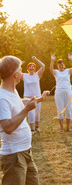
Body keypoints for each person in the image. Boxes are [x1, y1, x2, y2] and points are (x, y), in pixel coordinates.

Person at [0, 55, 50, 185]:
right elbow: (7, 127)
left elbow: (20, 103)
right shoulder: (2, 98)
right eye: (20, 69)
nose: (22, 72)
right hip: (14, 156)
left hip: (26, 152)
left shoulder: (12, 91)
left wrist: (39, 99)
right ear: (15, 75)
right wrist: (26, 109)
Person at [50, 53, 72, 132]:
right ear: (57, 66)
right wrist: (52, 60)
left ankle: (68, 128)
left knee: (68, 109)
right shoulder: (56, 72)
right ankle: (61, 128)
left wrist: (70, 59)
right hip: (59, 92)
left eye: (62, 64)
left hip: (68, 91)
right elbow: (51, 69)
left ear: (64, 65)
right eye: (59, 64)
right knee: (60, 109)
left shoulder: (67, 71)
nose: (60, 66)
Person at [21, 56, 45, 133]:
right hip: (28, 97)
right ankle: (32, 129)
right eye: (30, 67)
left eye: (33, 66)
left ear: (34, 68)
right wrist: (19, 64)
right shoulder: (24, 75)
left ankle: (37, 127)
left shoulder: (37, 75)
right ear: (28, 69)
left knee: (37, 112)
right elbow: (16, 72)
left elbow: (43, 66)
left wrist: (36, 59)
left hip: (37, 97)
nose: (31, 68)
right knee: (31, 113)